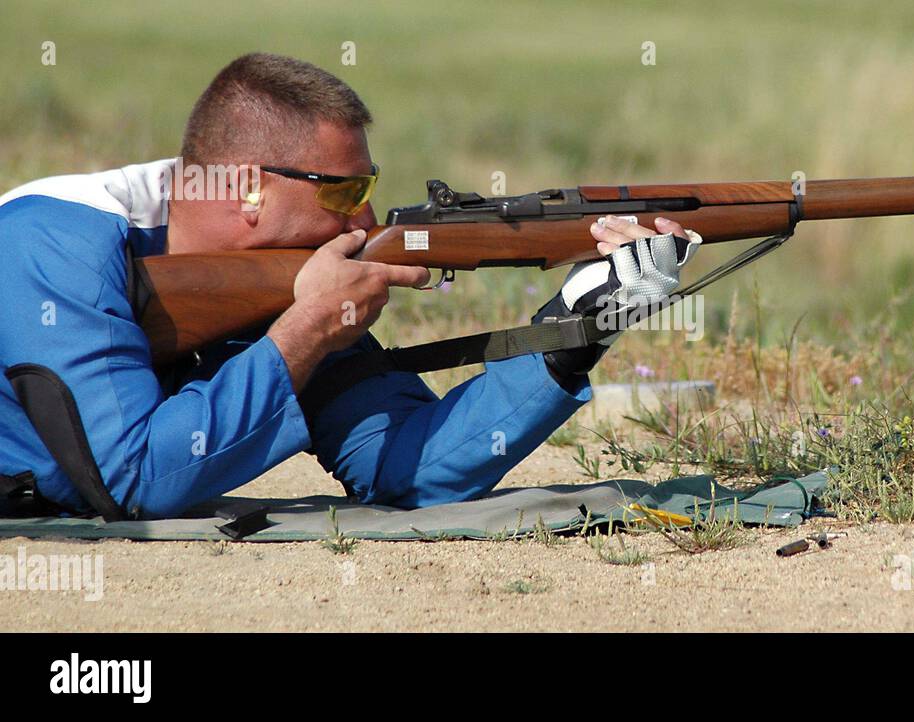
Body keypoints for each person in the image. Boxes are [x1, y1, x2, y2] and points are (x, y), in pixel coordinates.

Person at [0, 53, 700, 519]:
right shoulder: (56, 244)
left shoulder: (285, 278)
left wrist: (576, 327)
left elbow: (412, 468)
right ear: (247, 188)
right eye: (346, 191)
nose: (366, 217)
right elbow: (129, 482)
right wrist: (302, 333)